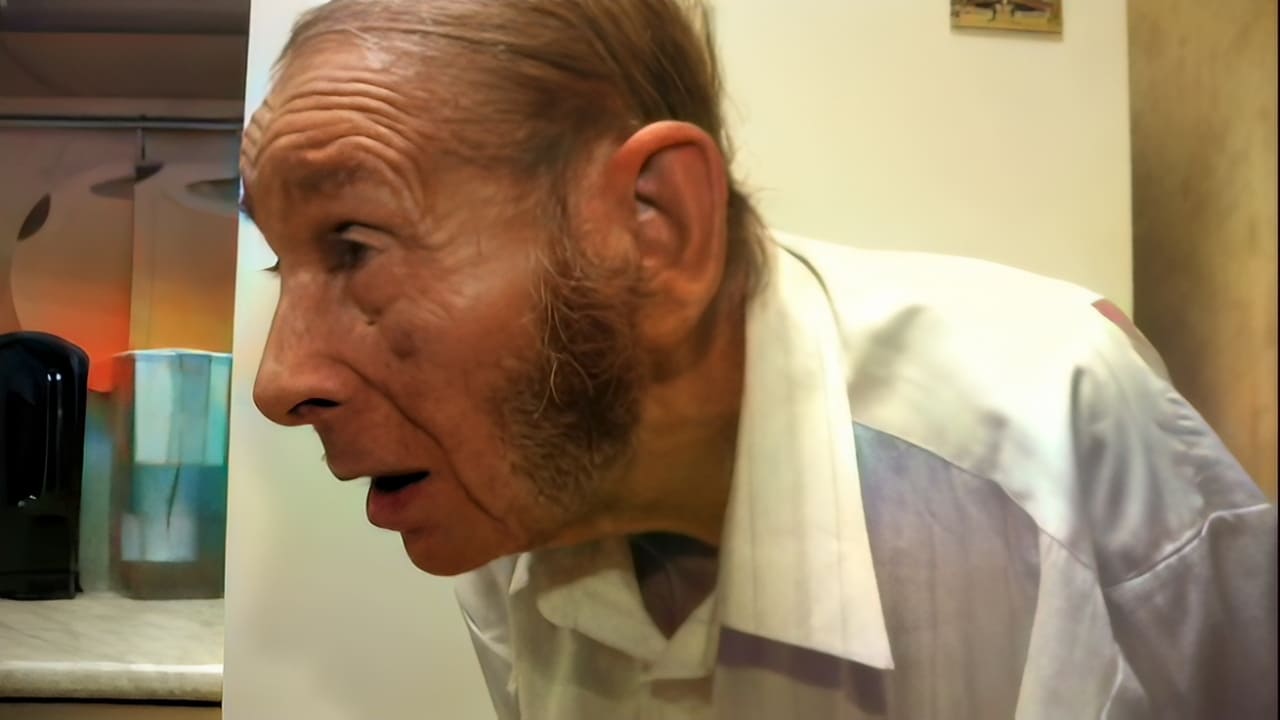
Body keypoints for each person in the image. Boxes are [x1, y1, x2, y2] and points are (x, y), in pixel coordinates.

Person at [238, 1, 1277, 718]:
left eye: (355, 245)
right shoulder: (513, 502)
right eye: (285, 263)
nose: (279, 383)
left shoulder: (1054, 438)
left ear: (653, 228)